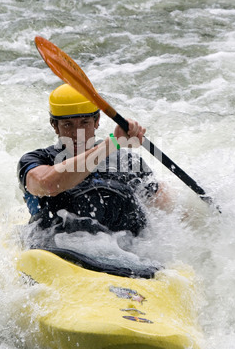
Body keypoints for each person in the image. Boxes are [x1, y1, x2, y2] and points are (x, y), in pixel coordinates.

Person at [17, 84, 172, 247]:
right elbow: (47, 184)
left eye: (85, 122)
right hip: (60, 251)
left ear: (97, 121)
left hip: (129, 255)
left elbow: (164, 210)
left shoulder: (127, 161)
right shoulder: (36, 160)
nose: (77, 133)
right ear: (54, 126)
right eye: (68, 125)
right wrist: (111, 143)